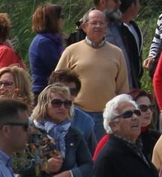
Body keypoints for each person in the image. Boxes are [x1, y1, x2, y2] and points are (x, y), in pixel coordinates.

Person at [54, 8, 130, 142]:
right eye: (94, 23)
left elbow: (123, 88)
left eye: (102, 23)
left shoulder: (117, 53)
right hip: (77, 114)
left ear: (106, 26)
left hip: (107, 116)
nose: (98, 26)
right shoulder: (71, 51)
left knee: (102, 155)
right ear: (84, 26)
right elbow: (56, 83)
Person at [27, 83, 94, 177]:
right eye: (56, 103)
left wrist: (67, 175)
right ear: (44, 105)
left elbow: (90, 167)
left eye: (67, 103)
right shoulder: (30, 132)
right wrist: (43, 166)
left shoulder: (74, 134)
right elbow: (16, 164)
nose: (63, 107)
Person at [28, 3, 66, 94]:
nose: (63, 20)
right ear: (53, 20)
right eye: (61, 17)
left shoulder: (50, 40)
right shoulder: (44, 42)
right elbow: (59, 67)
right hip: (43, 91)